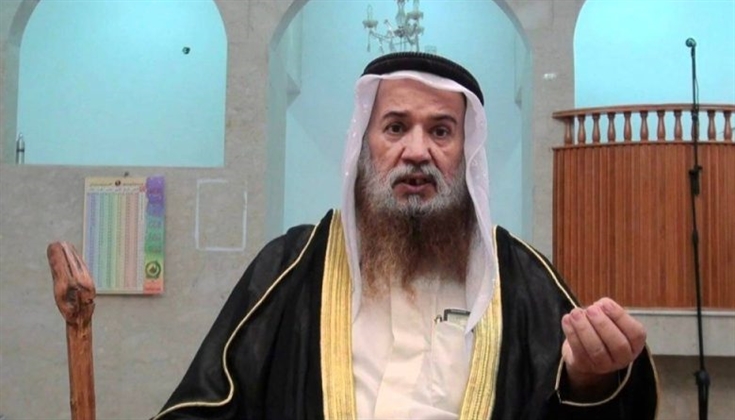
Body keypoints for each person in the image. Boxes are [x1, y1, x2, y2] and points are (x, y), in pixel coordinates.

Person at [153, 52, 658, 420]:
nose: (417, 151)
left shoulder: (521, 277)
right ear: (364, 146)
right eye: (395, 128)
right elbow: (205, 403)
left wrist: (591, 377)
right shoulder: (292, 264)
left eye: (441, 131)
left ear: (467, 153)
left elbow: (584, 399)